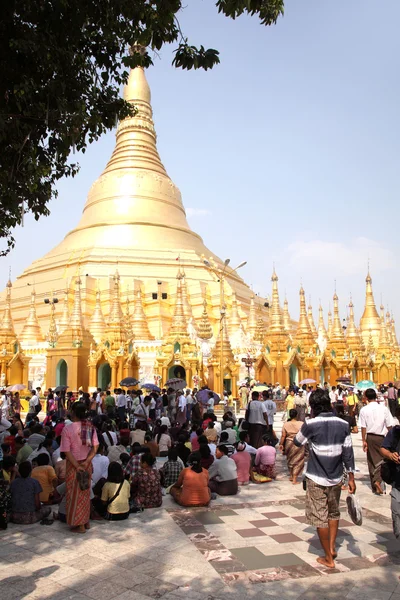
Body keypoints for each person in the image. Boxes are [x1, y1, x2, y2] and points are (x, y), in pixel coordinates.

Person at [294, 388, 356, 569]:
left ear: (312, 406)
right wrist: (351, 478)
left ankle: (328, 558)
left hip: (316, 476)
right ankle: (332, 548)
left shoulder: (310, 423)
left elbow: (298, 442)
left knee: (319, 516)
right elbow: (348, 452)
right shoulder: (343, 424)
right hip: (336, 476)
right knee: (333, 512)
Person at [60, 402, 99, 534]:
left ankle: (79, 524)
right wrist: (86, 462)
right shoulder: (89, 427)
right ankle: (85, 521)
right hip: (86, 464)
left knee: (73, 494)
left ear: (73, 412)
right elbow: (95, 447)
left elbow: (66, 450)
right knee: (84, 492)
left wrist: (77, 465)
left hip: (73, 465)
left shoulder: (68, 429)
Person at [359, 388, 393, 495]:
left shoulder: (364, 410)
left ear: (366, 398)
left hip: (370, 437)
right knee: (382, 459)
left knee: (371, 461)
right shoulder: (383, 408)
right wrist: (392, 438)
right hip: (382, 437)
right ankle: (379, 481)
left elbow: (363, 427)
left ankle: (375, 483)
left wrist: (364, 440)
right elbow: (389, 425)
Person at [379, 408, 400, 537]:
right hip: (398, 482)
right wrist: (390, 455)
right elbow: (383, 448)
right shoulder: (395, 433)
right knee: (396, 512)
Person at [279, 409, 305, 484]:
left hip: (289, 443)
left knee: (290, 459)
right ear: (297, 415)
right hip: (298, 442)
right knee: (298, 460)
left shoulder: (286, 424)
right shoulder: (301, 423)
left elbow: (283, 436)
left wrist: (281, 444)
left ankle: (291, 475)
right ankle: (294, 478)